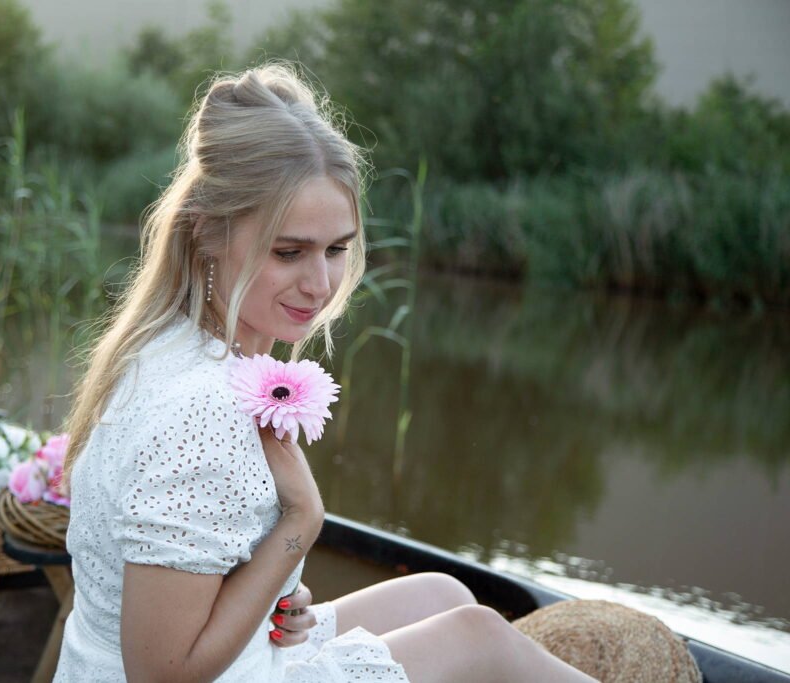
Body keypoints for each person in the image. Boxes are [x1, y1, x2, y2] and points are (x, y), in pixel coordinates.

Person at [54, 63, 597, 682]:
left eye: (337, 248)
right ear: (207, 233)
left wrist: (272, 591)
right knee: (481, 638)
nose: (320, 285)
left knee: (441, 595)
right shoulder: (199, 405)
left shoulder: (170, 344)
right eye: (289, 252)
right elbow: (162, 673)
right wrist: (301, 524)